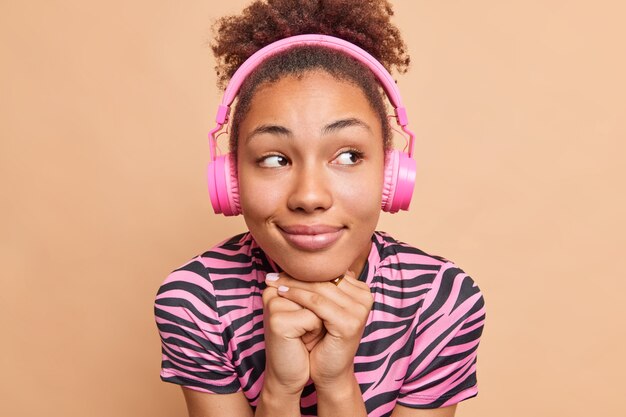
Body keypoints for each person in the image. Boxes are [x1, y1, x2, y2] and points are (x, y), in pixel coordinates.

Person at [153, 1, 486, 416]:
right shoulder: (196, 301)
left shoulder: (441, 300)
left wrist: (335, 383)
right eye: (275, 159)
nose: (309, 196)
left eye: (347, 156)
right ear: (231, 180)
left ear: (391, 172)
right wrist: (281, 388)